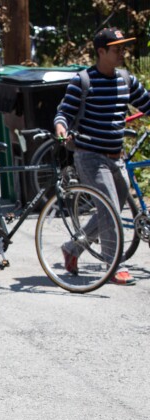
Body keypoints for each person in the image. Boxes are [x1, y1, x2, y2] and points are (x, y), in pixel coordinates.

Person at [54, 28, 150, 286]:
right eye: (116, 49)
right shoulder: (83, 81)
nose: (122, 53)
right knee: (109, 207)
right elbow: (63, 113)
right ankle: (114, 263)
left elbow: (147, 104)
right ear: (101, 51)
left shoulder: (126, 80)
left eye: (123, 48)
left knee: (112, 209)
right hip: (89, 155)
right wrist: (61, 129)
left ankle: (73, 248)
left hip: (116, 155)